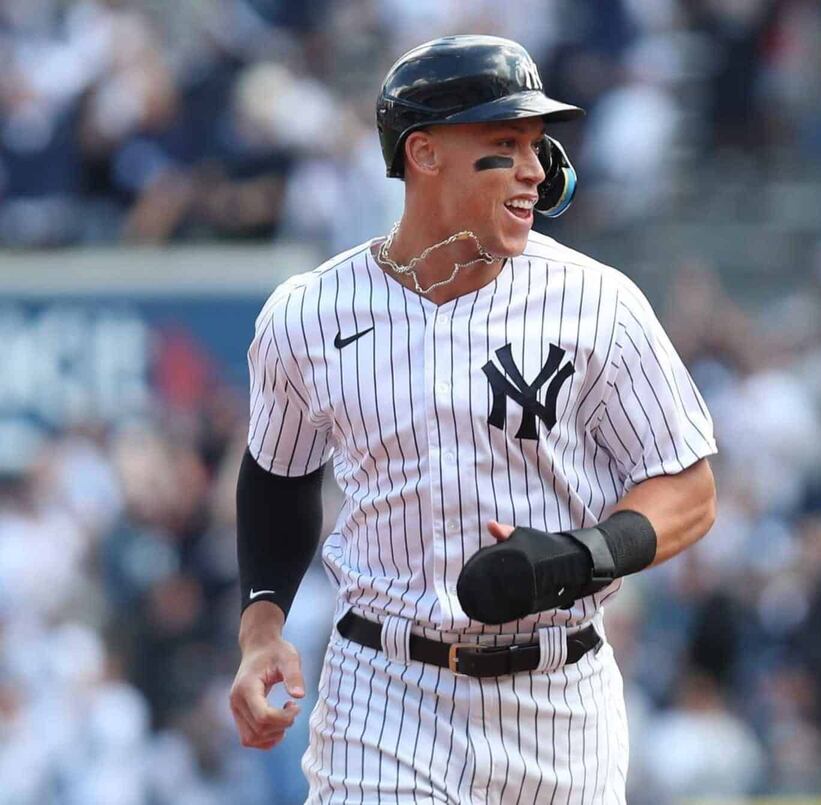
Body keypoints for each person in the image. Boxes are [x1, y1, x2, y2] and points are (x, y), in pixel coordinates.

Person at [227, 35, 718, 804]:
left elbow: (688, 490)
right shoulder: (308, 314)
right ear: (424, 153)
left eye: (536, 144)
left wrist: (575, 555)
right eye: (505, 144)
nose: (534, 169)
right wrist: (262, 627)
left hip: (562, 700)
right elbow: (277, 477)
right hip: (386, 691)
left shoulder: (598, 302)